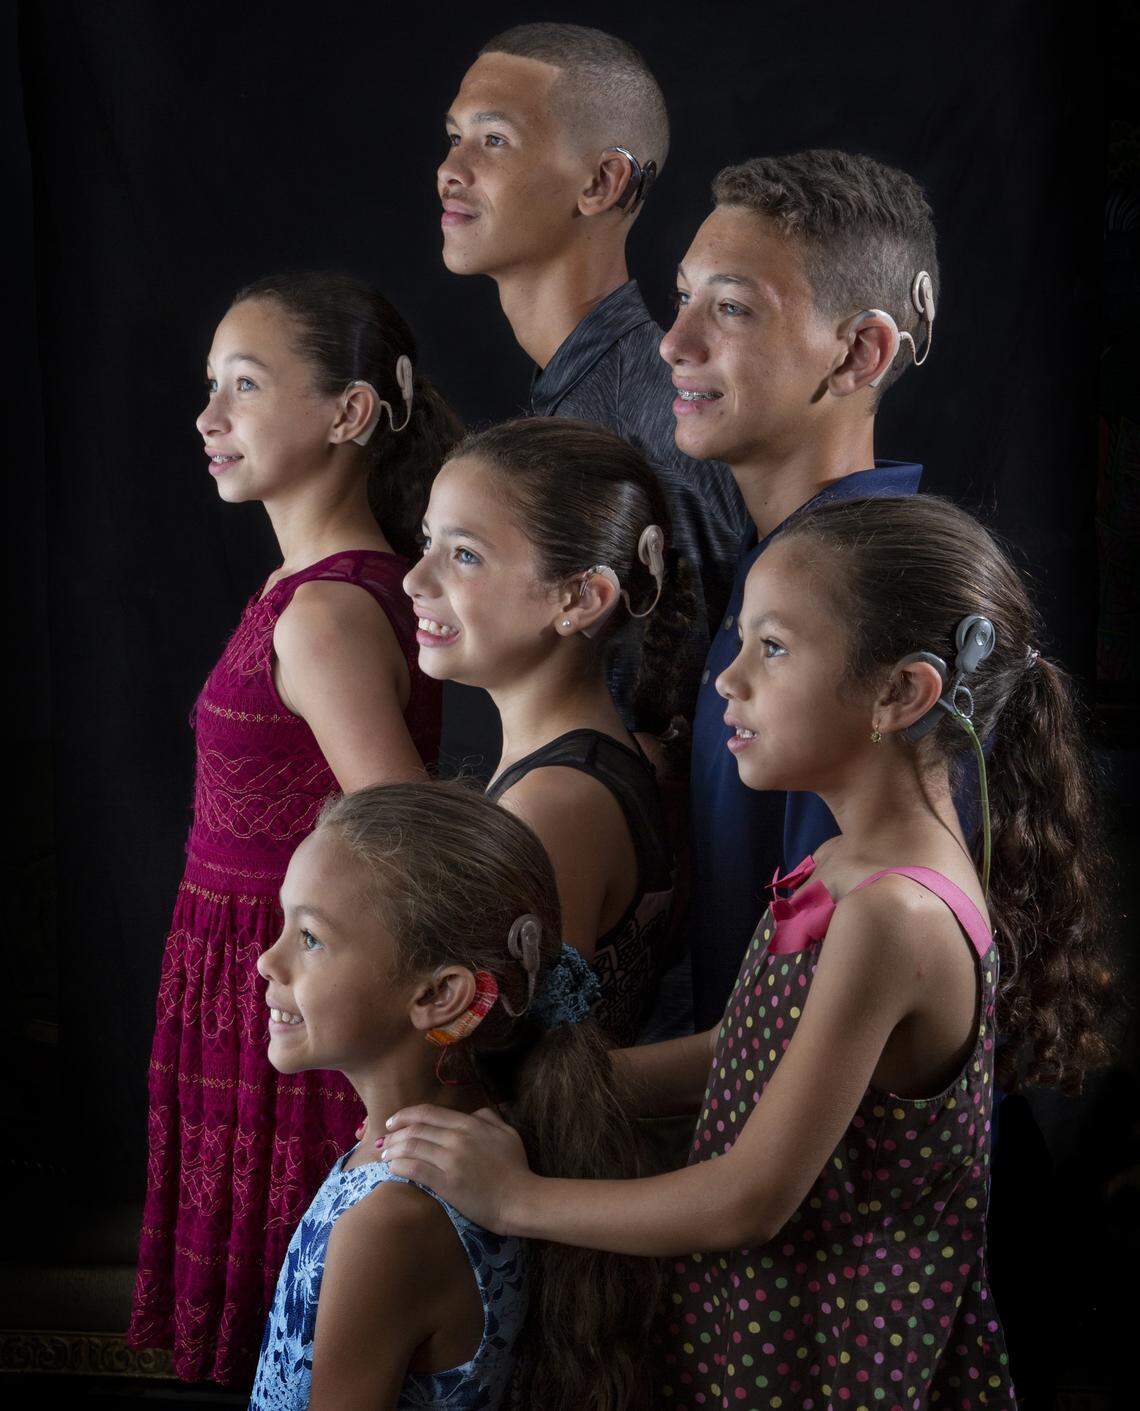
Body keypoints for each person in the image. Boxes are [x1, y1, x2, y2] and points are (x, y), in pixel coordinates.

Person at [380, 495, 1115, 1406]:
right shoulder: (848, 859)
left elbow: (746, 1200)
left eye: (771, 648)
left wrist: (511, 1196)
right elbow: (753, 1045)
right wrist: (557, 1091)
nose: (727, 680)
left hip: (819, 1364)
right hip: (758, 1327)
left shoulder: (897, 916)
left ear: (901, 693)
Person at [128, 272, 457, 1383]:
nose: (208, 418)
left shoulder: (324, 614)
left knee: (302, 1338)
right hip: (251, 988)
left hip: (297, 1006)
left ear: (348, 414)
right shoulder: (303, 584)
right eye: (210, 387)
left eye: (246, 386)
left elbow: (407, 848)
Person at [250, 781, 658, 1411]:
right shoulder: (452, 1135)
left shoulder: (391, 1225)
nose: (266, 962)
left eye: (310, 939)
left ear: (439, 996)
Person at [665, 149, 938, 1028]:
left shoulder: (865, 610)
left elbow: (816, 1023)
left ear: (859, 351)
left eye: (733, 308)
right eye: (684, 297)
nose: (676, 343)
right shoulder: (775, 565)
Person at [438, 22, 746, 722]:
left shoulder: (662, 419)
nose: (450, 170)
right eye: (454, 136)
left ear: (602, 182)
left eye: (493, 140)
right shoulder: (577, 394)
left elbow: (672, 740)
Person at [402, 417, 692, 1046]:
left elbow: (527, 1067)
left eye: (465, 556)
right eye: (428, 543)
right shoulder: (584, 768)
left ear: (581, 598)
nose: (415, 580)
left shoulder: (554, 806)